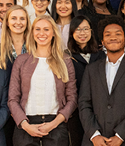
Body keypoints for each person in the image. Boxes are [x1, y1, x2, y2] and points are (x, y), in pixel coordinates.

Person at [78, 16, 125, 146]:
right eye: (108, 35)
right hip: (93, 141)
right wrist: (94, 135)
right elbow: (84, 103)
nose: (113, 37)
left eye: (118, 34)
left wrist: (120, 135)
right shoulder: (91, 69)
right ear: (102, 41)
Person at [8, 15, 77, 146]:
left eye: (46, 29)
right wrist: (25, 125)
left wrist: (53, 124)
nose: (41, 33)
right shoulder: (21, 61)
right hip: (25, 125)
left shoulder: (65, 60)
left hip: (56, 125)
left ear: (53, 33)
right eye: (37, 29)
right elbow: (12, 98)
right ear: (32, 32)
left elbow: (72, 98)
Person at [0, 5, 28, 146]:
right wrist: (11, 109)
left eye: (22, 18)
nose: (18, 22)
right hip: (6, 111)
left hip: (30, 110)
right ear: (7, 22)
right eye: (13, 18)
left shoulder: (35, 48)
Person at [66, 15, 105, 146]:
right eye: (78, 29)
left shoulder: (101, 55)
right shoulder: (67, 57)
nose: (82, 33)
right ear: (72, 32)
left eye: (85, 29)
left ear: (91, 31)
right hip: (76, 109)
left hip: (99, 109)